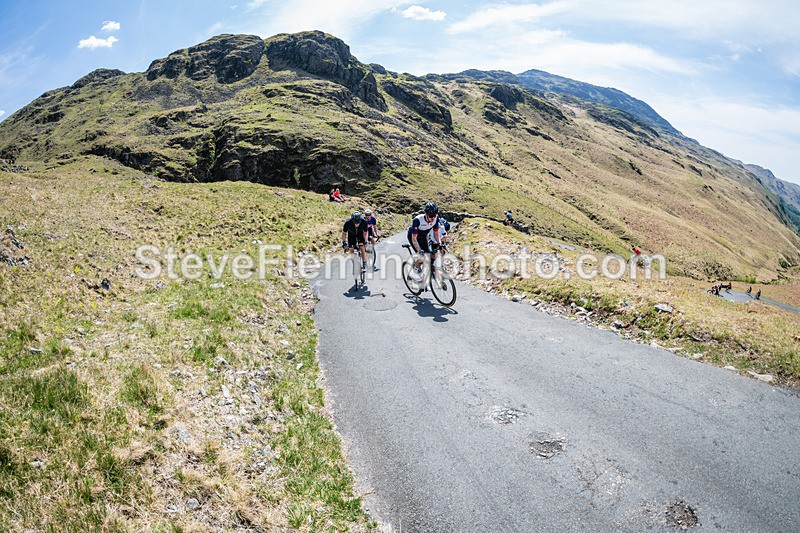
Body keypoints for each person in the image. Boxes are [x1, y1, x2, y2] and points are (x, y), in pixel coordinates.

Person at [407, 202, 442, 281]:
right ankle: (413, 271)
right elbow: (414, 239)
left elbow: (436, 233)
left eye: (435, 215)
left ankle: (425, 274)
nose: (433, 218)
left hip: (423, 237)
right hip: (414, 237)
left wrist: (440, 243)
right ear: (425, 214)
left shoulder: (436, 219)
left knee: (432, 255)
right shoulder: (417, 220)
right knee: (422, 257)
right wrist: (419, 250)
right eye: (431, 216)